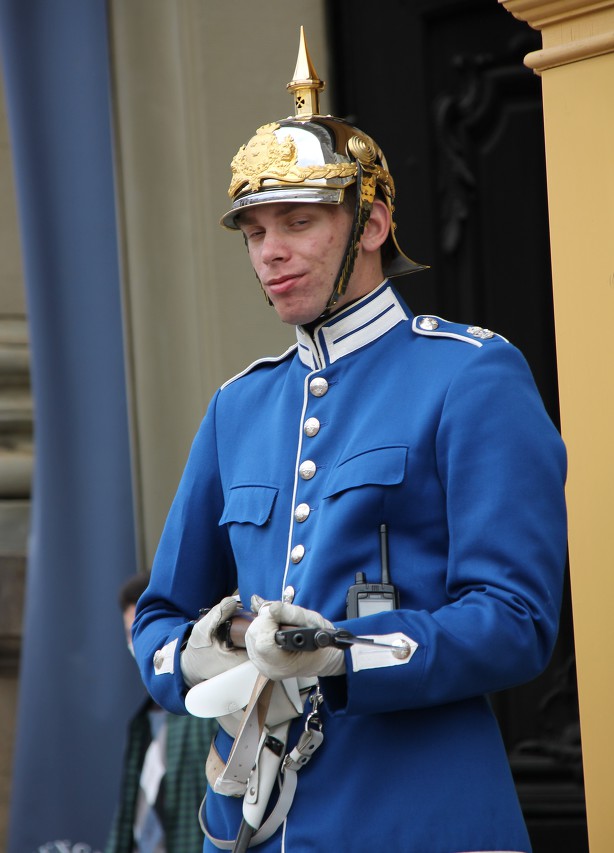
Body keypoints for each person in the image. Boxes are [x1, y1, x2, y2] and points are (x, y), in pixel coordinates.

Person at [133, 28, 567, 853]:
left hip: (418, 817)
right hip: (255, 823)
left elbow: (516, 620)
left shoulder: (472, 375)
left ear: (372, 224)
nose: (272, 254)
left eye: (299, 221)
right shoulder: (238, 406)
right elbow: (158, 619)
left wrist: (337, 655)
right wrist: (208, 648)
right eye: (255, 232)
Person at [106, 573, 216, 853]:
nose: (136, 645)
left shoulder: (205, 709)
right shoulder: (144, 720)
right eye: (129, 634)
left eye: (140, 632)